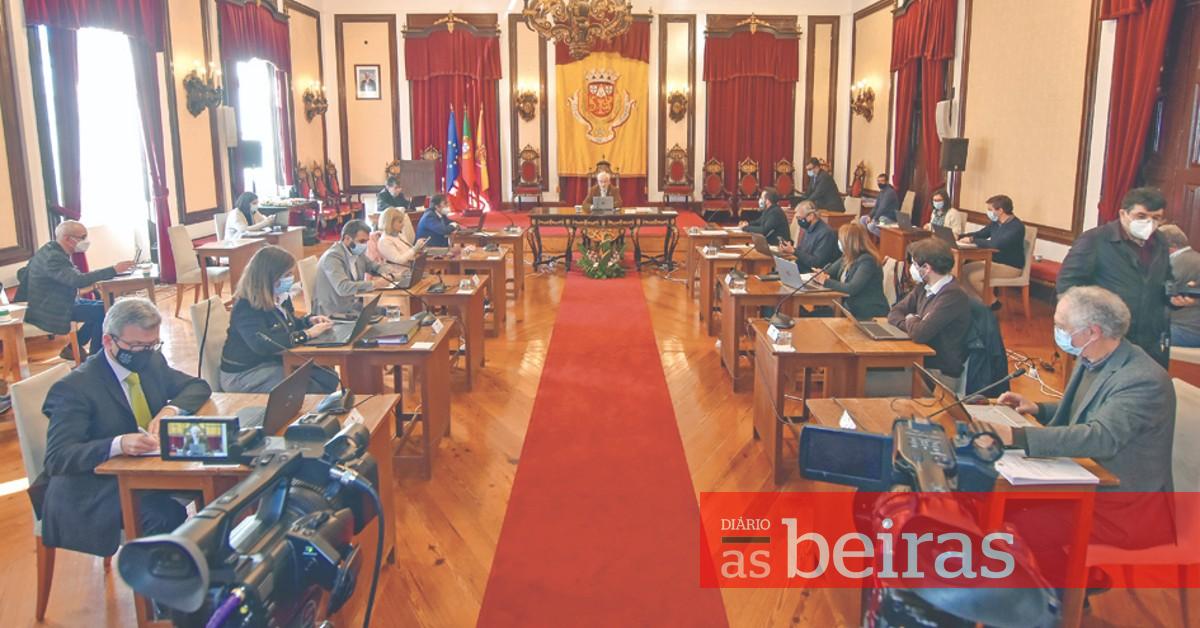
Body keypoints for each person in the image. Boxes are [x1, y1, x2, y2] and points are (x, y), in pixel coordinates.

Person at [992, 287, 1176, 575]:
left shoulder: (1142, 380)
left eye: (1061, 326)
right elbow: (1090, 410)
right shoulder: (1094, 357)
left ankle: (1065, 590)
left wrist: (1016, 437)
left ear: (1092, 332)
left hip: (1122, 505)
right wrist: (1039, 409)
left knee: (1020, 523)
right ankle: (1062, 581)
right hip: (1087, 477)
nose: (1056, 332)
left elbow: (1100, 437)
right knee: (1003, 503)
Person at [38, 297, 212, 556]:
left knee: (218, 484)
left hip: (144, 471)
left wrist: (170, 410)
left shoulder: (151, 361)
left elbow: (197, 386)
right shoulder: (75, 388)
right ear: (108, 341)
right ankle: (162, 579)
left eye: (153, 344)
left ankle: (209, 564)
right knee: (165, 516)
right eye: (137, 346)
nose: (146, 352)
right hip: (92, 490)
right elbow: (57, 458)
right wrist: (118, 444)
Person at [1057, 187, 1192, 367]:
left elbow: (1165, 279)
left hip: (1149, 336)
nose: (1149, 223)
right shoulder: (1095, 240)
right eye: (1141, 216)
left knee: (1148, 382)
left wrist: (1174, 298)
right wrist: (1084, 325)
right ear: (1123, 214)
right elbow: (1067, 285)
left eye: (1156, 218)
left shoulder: (1160, 241)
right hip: (1107, 335)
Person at [219, 246, 340, 394]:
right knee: (307, 387)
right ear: (270, 277)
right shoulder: (246, 306)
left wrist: (309, 321)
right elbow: (262, 344)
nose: (291, 278)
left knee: (328, 377)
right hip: (245, 373)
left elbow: (288, 325)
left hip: (273, 362)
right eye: (287, 274)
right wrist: (307, 334)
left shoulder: (280, 297)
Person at [25, 220, 134, 358]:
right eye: (82, 237)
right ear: (67, 239)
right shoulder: (54, 257)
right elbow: (77, 280)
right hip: (51, 308)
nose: (86, 241)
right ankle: (96, 358)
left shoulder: (52, 249)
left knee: (108, 306)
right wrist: (114, 270)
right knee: (104, 311)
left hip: (60, 300)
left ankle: (74, 347)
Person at [886, 238, 970, 387]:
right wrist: (914, 321)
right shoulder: (923, 287)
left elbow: (920, 334)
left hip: (938, 374)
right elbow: (895, 312)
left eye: (914, 264)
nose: (911, 268)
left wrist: (911, 320)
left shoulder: (953, 295)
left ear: (926, 268)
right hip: (920, 362)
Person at [313, 219, 391, 316]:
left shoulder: (356, 253)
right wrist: (374, 284)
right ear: (347, 239)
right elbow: (343, 288)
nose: (364, 245)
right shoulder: (332, 257)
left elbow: (374, 267)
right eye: (361, 241)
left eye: (366, 241)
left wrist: (389, 273)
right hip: (333, 312)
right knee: (387, 315)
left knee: (390, 311)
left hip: (352, 306)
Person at [812, 223, 888, 319]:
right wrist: (821, 273)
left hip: (867, 313)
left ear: (850, 242)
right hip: (848, 309)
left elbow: (852, 288)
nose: (838, 242)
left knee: (814, 318)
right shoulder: (847, 256)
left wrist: (825, 281)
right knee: (809, 316)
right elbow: (829, 271)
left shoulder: (867, 261)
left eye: (840, 240)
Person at [960, 194, 1027, 301]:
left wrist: (972, 240)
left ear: (1000, 210)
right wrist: (960, 236)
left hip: (1010, 267)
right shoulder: (996, 223)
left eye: (990, 209)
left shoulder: (1016, 227)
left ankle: (992, 302)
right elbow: (980, 234)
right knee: (961, 271)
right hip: (993, 262)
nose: (988, 212)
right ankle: (976, 303)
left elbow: (996, 244)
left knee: (973, 278)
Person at [1159, 224, 1200, 347]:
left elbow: (1155, 297)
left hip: (1185, 329)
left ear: (1169, 246)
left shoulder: (1177, 263)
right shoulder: (1194, 258)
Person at [778, 202, 839, 270]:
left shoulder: (826, 233)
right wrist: (788, 251)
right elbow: (801, 252)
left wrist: (794, 251)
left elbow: (816, 262)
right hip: (801, 267)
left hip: (813, 272)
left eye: (799, 218)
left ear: (811, 216)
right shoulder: (808, 229)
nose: (798, 221)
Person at [376, 207, 427, 274]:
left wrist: (418, 249)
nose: (403, 224)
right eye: (400, 222)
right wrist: (414, 249)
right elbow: (399, 260)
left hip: (409, 271)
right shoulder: (384, 241)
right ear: (390, 222)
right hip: (398, 274)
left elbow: (408, 252)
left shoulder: (398, 235)